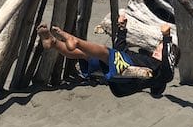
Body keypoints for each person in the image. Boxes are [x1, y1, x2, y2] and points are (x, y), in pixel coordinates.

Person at [37, 14, 180, 97]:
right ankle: (54, 42)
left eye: (160, 50)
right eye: (157, 48)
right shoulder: (148, 60)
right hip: (119, 77)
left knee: (104, 51)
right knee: (84, 55)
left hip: (126, 76)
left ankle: (75, 40)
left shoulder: (162, 71)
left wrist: (167, 37)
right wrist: (122, 29)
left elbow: (168, 65)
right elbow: (120, 49)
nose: (156, 50)